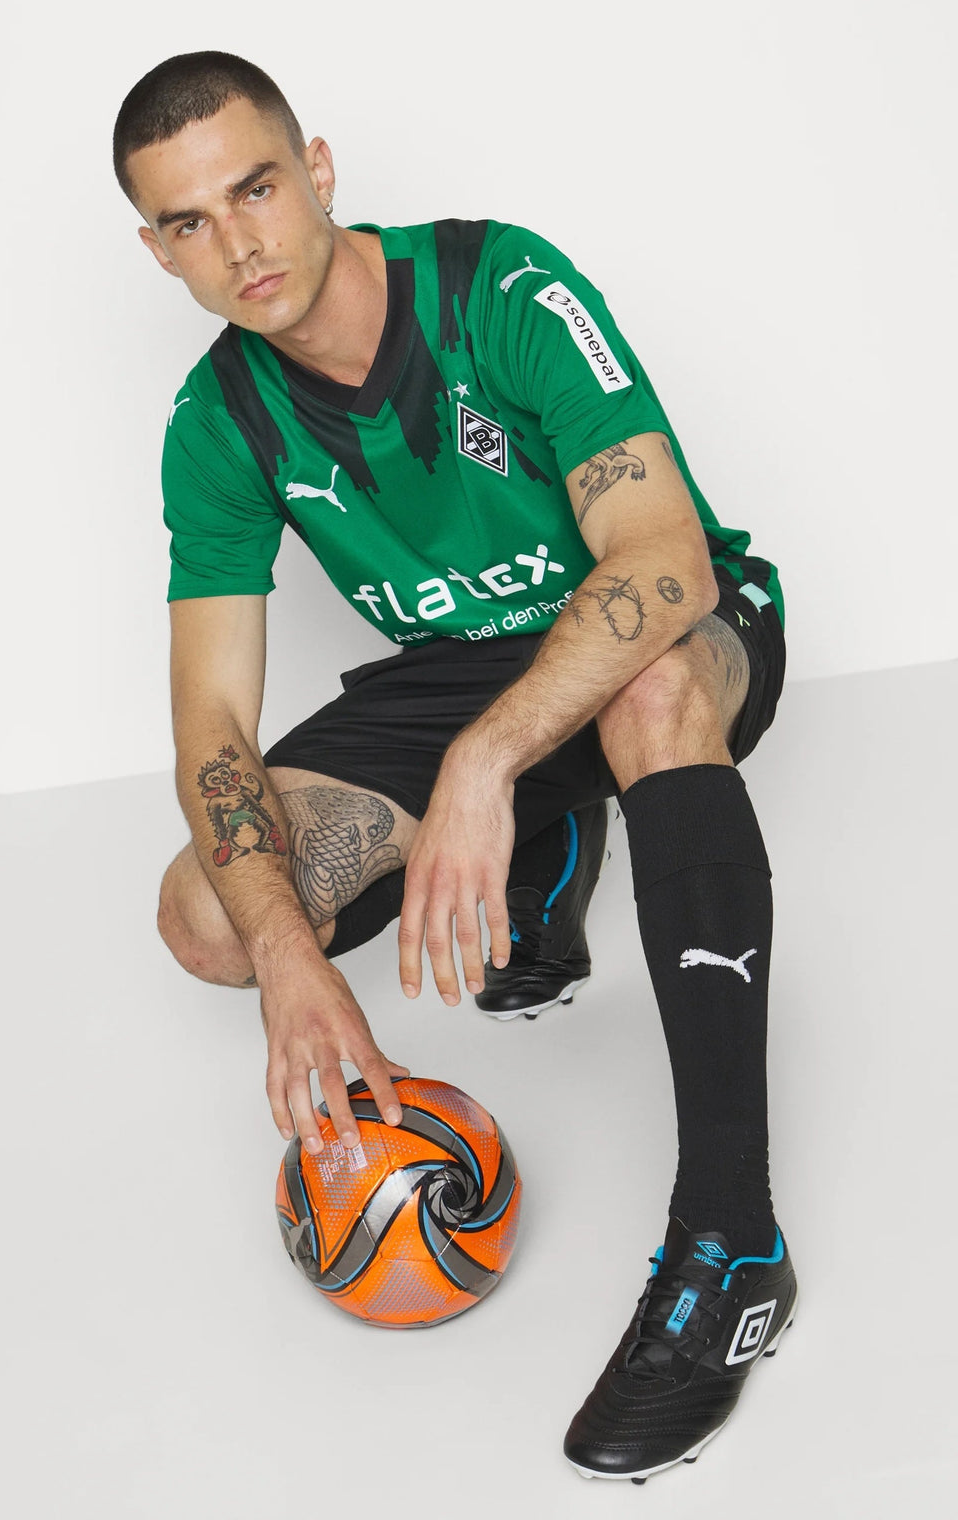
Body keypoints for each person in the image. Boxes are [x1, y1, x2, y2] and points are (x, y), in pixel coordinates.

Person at [113, 51, 798, 1485]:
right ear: (157, 249)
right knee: (205, 914)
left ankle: (733, 1244)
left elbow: (663, 561)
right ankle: (556, 835)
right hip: (464, 671)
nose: (238, 243)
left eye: (255, 188)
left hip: (664, 625)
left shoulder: (500, 289)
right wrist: (289, 966)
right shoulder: (216, 424)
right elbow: (213, 728)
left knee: (649, 685)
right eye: (188, 222)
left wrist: (486, 761)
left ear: (318, 168)